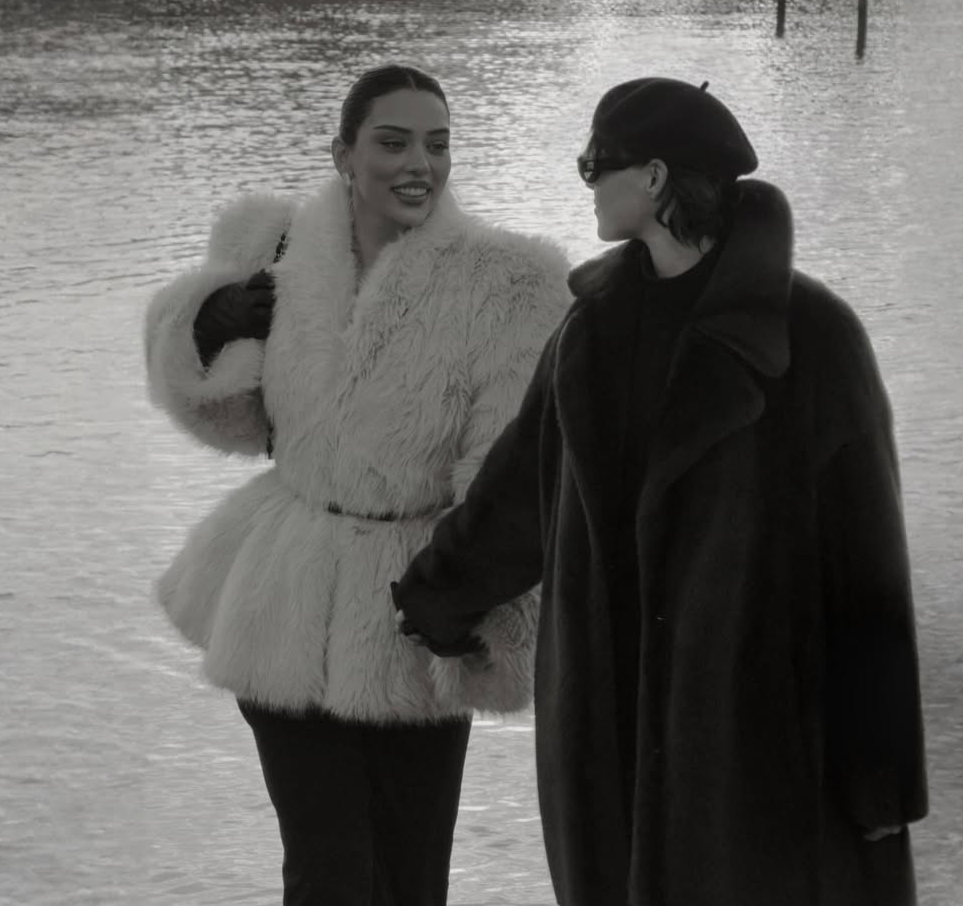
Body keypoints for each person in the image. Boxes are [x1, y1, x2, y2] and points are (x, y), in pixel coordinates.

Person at [393, 76, 929, 906]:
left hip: (751, 748)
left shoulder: (812, 338)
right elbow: (519, 495)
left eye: (595, 162)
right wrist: (432, 598)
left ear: (653, 177)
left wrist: (882, 780)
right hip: (603, 738)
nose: (585, 180)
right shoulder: (589, 330)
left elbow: (869, 578)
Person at [144, 63, 570, 906]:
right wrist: (208, 327)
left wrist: (475, 606)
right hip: (283, 603)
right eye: (393, 142)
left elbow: (509, 475)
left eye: (437, 144)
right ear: (343, 153)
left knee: (410, 878)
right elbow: (232, 424)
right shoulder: (276, 252)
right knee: (326, 874)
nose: (420, 164)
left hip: (417, 612)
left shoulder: (510, 283)